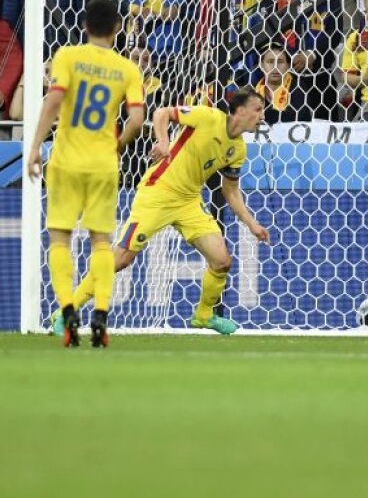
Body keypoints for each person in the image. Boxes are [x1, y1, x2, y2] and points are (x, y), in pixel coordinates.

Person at [64, 88, 272, 336]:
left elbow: (231, 191)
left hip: (189, 201)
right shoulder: (208, 117)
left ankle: (204, 316)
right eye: (258, 110)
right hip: (158, 192)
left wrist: (251, 224)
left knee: (221, 261)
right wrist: (163, 142)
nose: (262, 117)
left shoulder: (237, 149)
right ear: (240, 110)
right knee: (121, 259)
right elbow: (161, 112)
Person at [25, 0, 145, 347]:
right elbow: (137, 120)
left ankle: (67, 311)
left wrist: (34, 147)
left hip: (65, 160)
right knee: (102, 242)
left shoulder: (67, 56)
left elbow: (53, 100)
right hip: (103, 163)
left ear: (85, 26)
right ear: (118, 29)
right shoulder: (128, 69)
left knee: (60, 238)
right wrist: (118, 143)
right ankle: (101, 316)